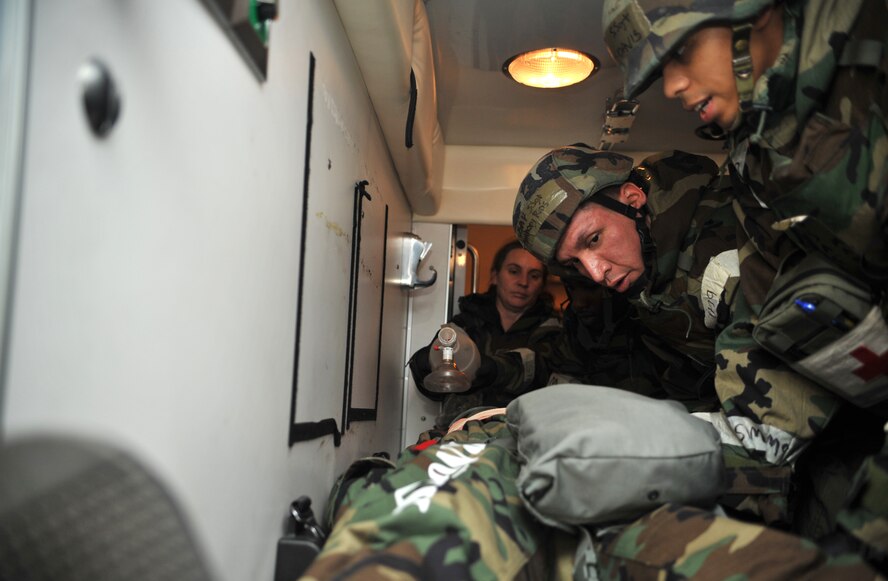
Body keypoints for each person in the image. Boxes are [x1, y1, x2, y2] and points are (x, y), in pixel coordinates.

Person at [601, 0, 888, 569]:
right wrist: (736, 446)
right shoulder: (754, 159)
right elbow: (764, 319)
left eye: (681, 52)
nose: (675, 86)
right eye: (663, 73)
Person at [512, 144, 885, 577]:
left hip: (844, 447)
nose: (596, 272)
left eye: (592, 240)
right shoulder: (647, 274)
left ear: (633, 200)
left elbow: (763, 444)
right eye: (575, 262)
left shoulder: (732, 241)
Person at [408, 239, 561, 428]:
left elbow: (540, 370)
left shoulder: (553, 327)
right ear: (495, 276)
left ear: (542, 284)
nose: (523, 282)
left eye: (534, 275)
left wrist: (492, 369)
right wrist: (424, 366)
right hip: (464, 432)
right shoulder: (466, 323)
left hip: (525, 432)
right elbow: (439, 388)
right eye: (514, 271)